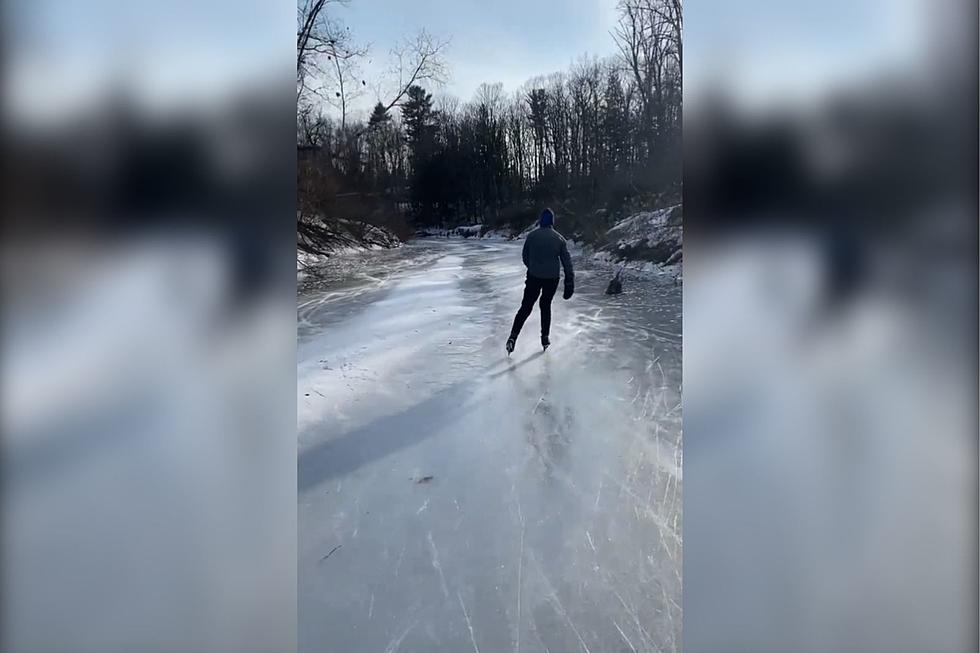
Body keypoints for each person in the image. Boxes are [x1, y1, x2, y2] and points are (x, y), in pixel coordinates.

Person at [506, 208, 574, 354]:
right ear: (552, 222)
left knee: (526, 307)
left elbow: (525, 256)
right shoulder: (559, 238)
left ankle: (513, 336)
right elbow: (567, 262)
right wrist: (569, 281)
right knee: (545, 305)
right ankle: (545, 337)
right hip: (552, 278)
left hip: (534, 277)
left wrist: (532, 267)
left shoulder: (532, 236)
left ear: (540, 220)